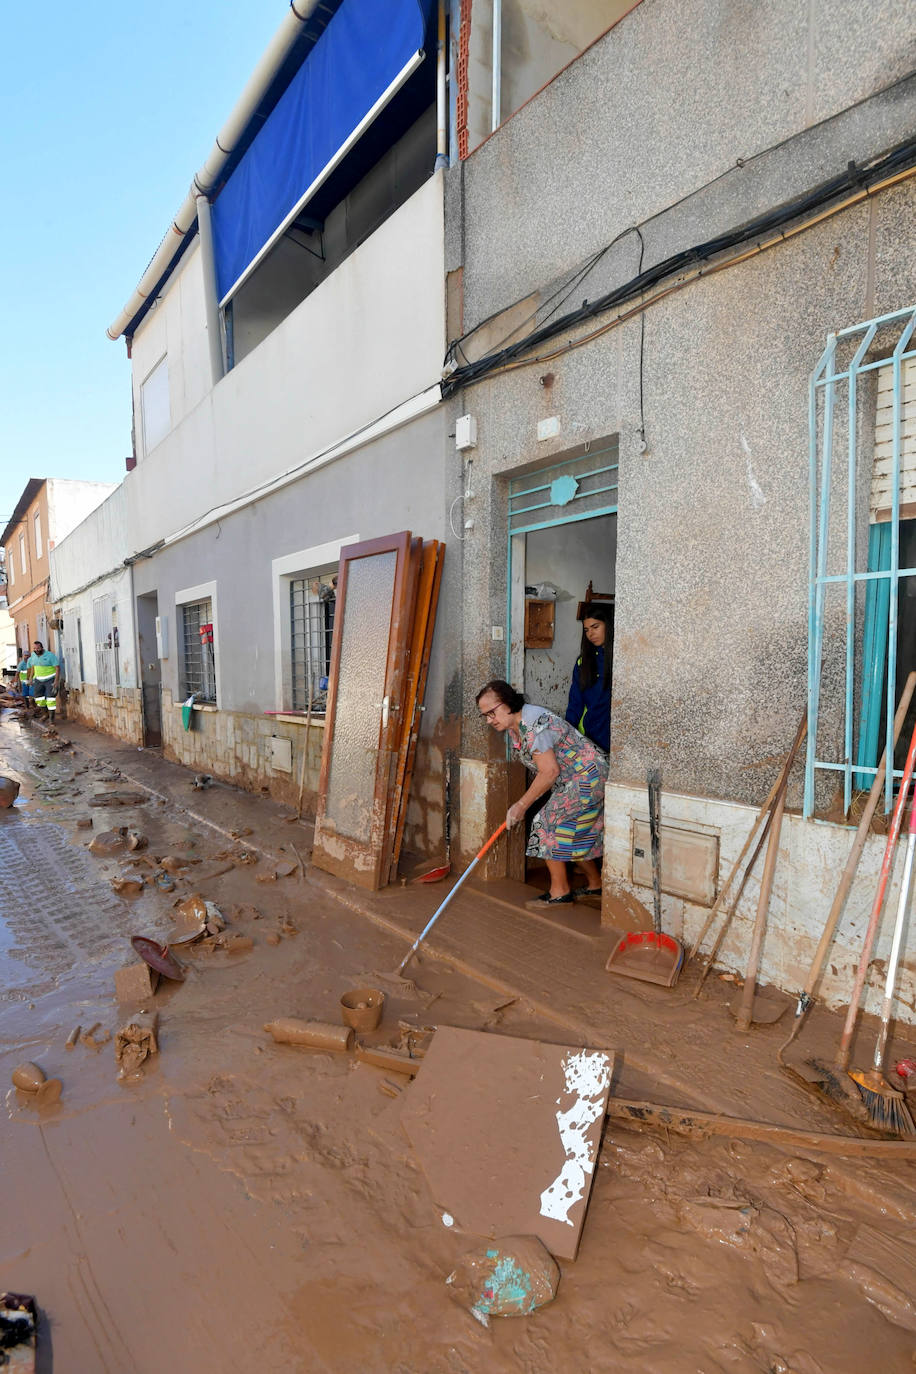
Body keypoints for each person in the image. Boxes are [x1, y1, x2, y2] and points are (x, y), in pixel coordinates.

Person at [476, 679, 608, 908]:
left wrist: (521, 805)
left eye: (491, 713)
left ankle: (560, 893)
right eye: (485, 716)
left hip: (587, 776)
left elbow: (549, 771)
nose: (489, 720)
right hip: (573, 778)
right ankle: (595, 885)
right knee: (570, 831)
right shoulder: (516, 727)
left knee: (546, 823)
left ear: (507, 703)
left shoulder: (534, 723)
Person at [565, 604, 613, 755]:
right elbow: (575, 702)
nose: (590, 634)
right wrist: (567, 737)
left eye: (595, 627)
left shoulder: (620, 660)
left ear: (609, 625)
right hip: (588, 736)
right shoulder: (583, 662)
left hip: (614, 735)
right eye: (586, 630)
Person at [27, 640, 60, 721]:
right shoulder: (33, 656)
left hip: (50, 679)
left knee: (50, 700)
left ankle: (51, 720)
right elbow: (33, 667)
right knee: (38, 699)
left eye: (38, 648)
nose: (36, 650)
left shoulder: (50, 655)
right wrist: (31, 678)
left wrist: (56, 681)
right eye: (34, 648)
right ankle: (45, 714)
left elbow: (57, 668)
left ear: (42, 648)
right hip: (38, 680)